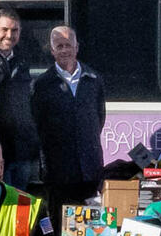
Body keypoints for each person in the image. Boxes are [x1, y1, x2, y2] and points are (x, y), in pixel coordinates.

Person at [30, 25, 107, 209]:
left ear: (77, 47)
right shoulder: (41, 85)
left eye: (68, 45)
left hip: (90, 168)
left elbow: (99, 119)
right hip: (58, 172)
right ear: (52, 50)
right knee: (60, 225)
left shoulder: (94, 79)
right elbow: (38, 125)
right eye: (59, 46)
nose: (64, 50)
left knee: (92, 225)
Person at [0, 9, 43, 189]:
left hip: (21, 151)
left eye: (15, 31)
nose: (9, 35)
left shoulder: (23, 60)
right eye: (4, 30)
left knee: (21, 209)